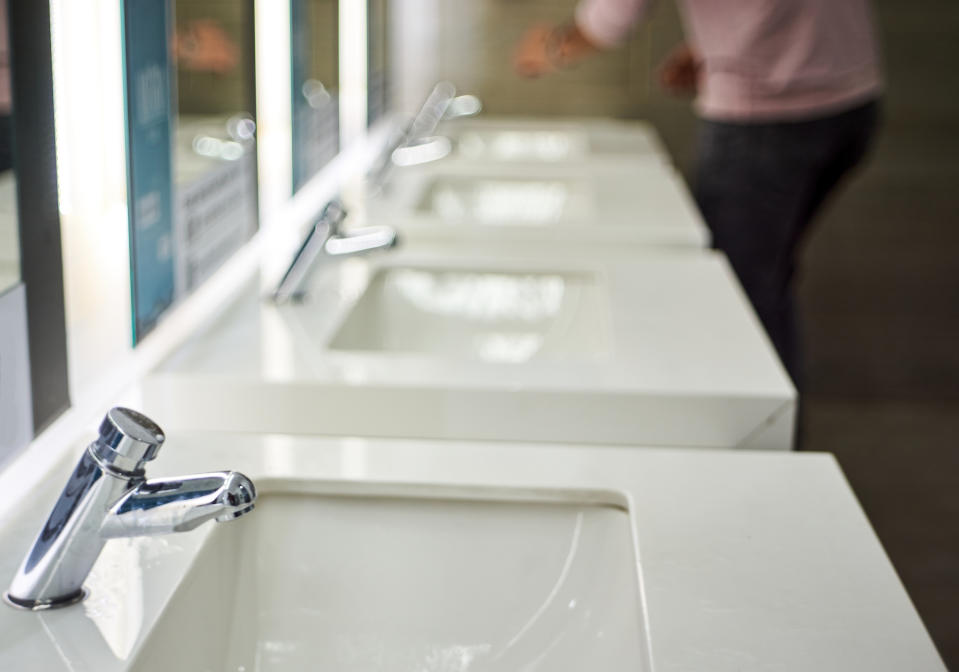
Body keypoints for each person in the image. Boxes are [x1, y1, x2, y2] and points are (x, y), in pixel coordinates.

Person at [514, 0, 882, 388]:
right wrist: (717, 45)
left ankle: (764, 439)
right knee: (765, 282)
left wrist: (555, 45)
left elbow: (614, 16)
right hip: (852, 98)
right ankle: (772, 430)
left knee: (740, 300)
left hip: (767, 113)